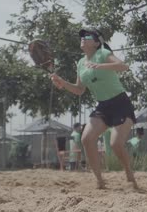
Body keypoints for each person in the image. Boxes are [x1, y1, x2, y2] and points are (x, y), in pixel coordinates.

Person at [50, 28, 137, 189]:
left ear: (97, 42)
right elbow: (79, 90)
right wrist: (62, 82)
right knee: (86, 139)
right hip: (103, 105)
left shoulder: (103, 53)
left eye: (87, 36)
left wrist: (100, 65)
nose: (83, 38)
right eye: (82, 36)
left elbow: (123, 66)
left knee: (116, 144)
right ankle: (100, 181)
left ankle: (129, 173)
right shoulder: (81, 63)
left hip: (120, 103)